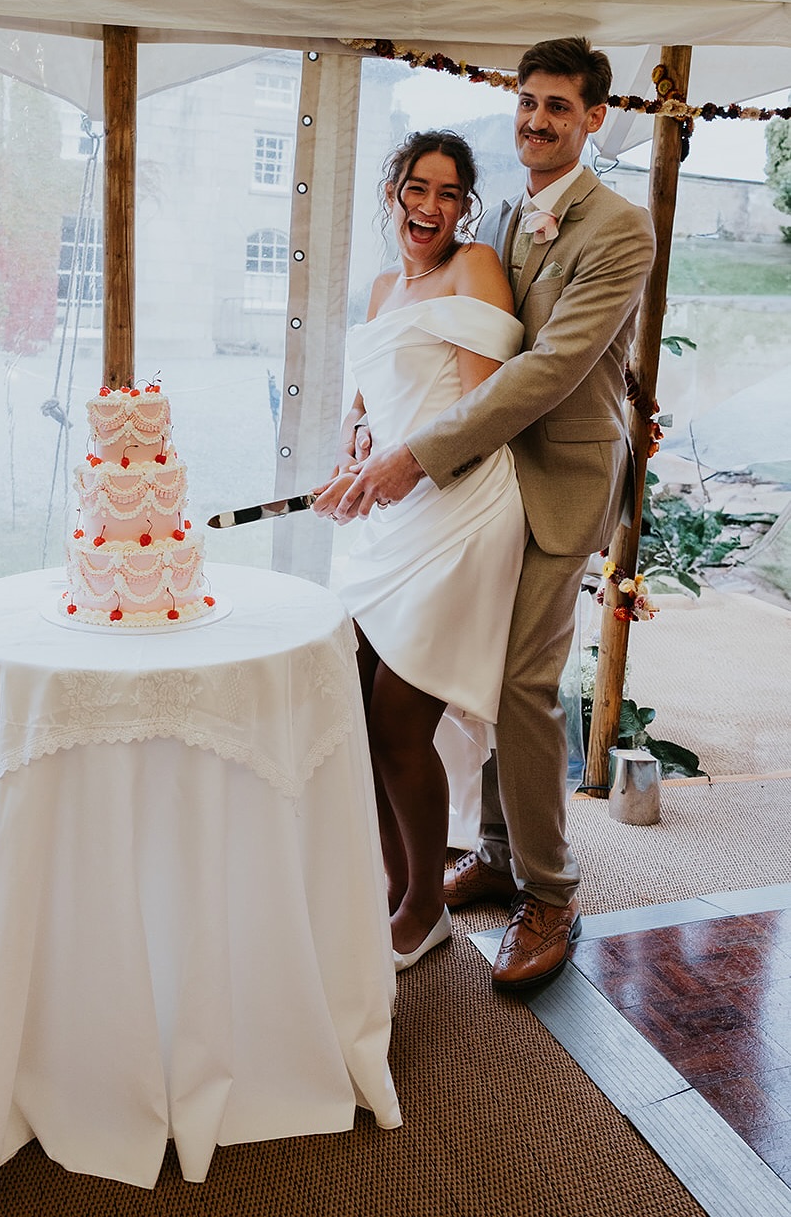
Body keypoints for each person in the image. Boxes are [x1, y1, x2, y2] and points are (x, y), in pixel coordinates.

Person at [329, 37, 656, 991]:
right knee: (482, 674)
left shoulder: (619, 227)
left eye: (559, 106)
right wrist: (369, 425)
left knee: (518, 684)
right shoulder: (509, 216)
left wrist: (414, 456)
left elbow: (549, 369)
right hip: (482, 479)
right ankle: (500, 853)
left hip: (555, 482)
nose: (537, 120)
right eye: (527, 104)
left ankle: (548, 893)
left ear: (594, 118)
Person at [313, 130, 527, 972]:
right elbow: (368, 399)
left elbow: (480, 410)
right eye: (416, 188)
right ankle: (397, 889)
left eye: (447, 193)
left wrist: (400, 466)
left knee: (402, 718)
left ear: (464, 205)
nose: (429, 207)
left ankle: (422, 905)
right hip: (387, 516)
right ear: (393, 190)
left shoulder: (475, 268)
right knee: (356, 708)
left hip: (460, 510)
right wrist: (352, 450)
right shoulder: (380, 287)